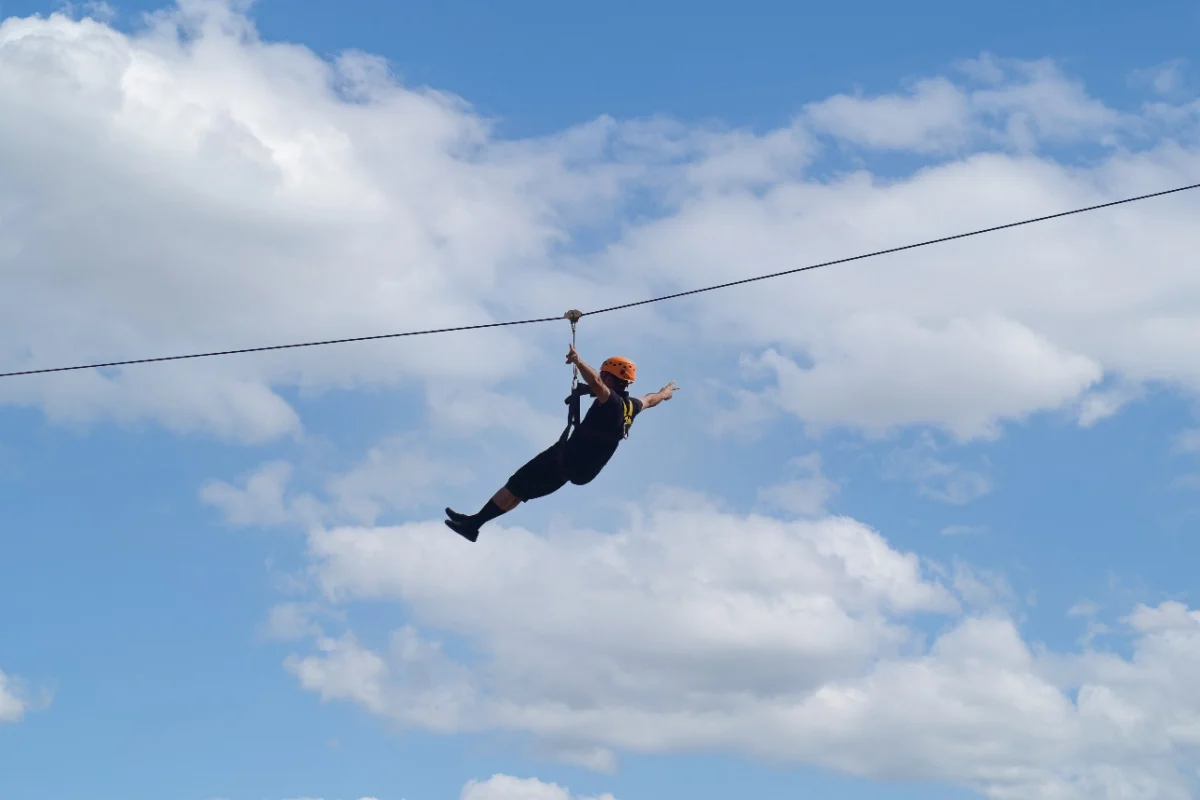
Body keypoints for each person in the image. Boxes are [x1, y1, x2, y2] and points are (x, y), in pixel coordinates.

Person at [444, 344, 678, 541]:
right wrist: (665, 393)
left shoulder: (612, 403)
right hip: (578, 468)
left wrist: (578, 361)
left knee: (515, 486)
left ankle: (473, 525)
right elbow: (650, 399)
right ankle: (474, 522)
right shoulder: (630, 407)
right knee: (519, 490)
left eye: (605, 375)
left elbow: (596, 382)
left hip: (566, 460)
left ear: (611, 379)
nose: (601, 377)